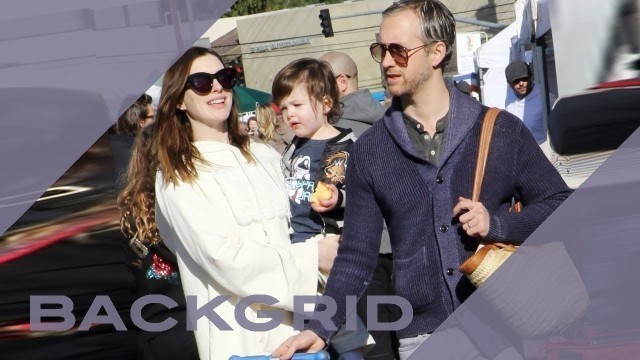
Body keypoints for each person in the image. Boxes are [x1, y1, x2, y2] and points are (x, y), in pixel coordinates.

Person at [272, 1, 571, 360]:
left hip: (503, 323)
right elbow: (355, 254)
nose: (385, 62)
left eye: (398, 50)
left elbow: (560, 205)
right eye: (380, 50)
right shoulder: (370, 150)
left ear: (436, 52)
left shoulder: (500, 130)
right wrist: (320, 328)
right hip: (422, 337)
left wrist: (498, 223)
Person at [121, 46, 340, 360]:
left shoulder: (267, 156)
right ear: (180, 99)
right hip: (240, 340)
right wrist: (313, 257)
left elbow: (302, 226)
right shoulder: (177, 177)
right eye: (201, 81)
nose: (217, 87)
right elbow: (223, 259)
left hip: (304, 334)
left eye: (224, 77)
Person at [273, 58, 371, 360]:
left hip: (329, 246)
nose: (289, 114)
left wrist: (336, 199)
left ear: (326, 103)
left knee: (341, 327)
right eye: (284, 108)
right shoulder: (293, 147)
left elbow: (360, 195)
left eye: (297, 105)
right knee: (308, 331)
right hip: (298, 249)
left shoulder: (342, 144)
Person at [320, 51, 399, 360]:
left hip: (362, 254)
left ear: (341, 83)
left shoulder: (337, 135)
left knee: (377, 347)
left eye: (320, 82)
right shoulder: (390, 122)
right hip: (398, 247)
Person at [318, 51, 386, 138]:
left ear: (342, 82)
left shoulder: (330, 130)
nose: (315, 91)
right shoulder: (391, 119)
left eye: (320, 85)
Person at [504, 60, 553, 144]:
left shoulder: (546, 98)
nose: (521, 83)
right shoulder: (509, 99)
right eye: (516, 81)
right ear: (510, 83)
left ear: (530, 77)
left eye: (524, 79)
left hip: (542, 149)